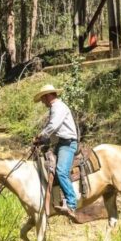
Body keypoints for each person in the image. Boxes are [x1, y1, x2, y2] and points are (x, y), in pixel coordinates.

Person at [32, 84, 79, 217]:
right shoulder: (56, 108)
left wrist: (40, 136)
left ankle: (71, 204)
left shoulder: (58, 107)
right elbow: (54, 131)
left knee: (61, 171)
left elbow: (53, 126)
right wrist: (43, 141)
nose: (42, 102)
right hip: (60, 144)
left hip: (67, 144)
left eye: (42, 98)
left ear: (48, 96)